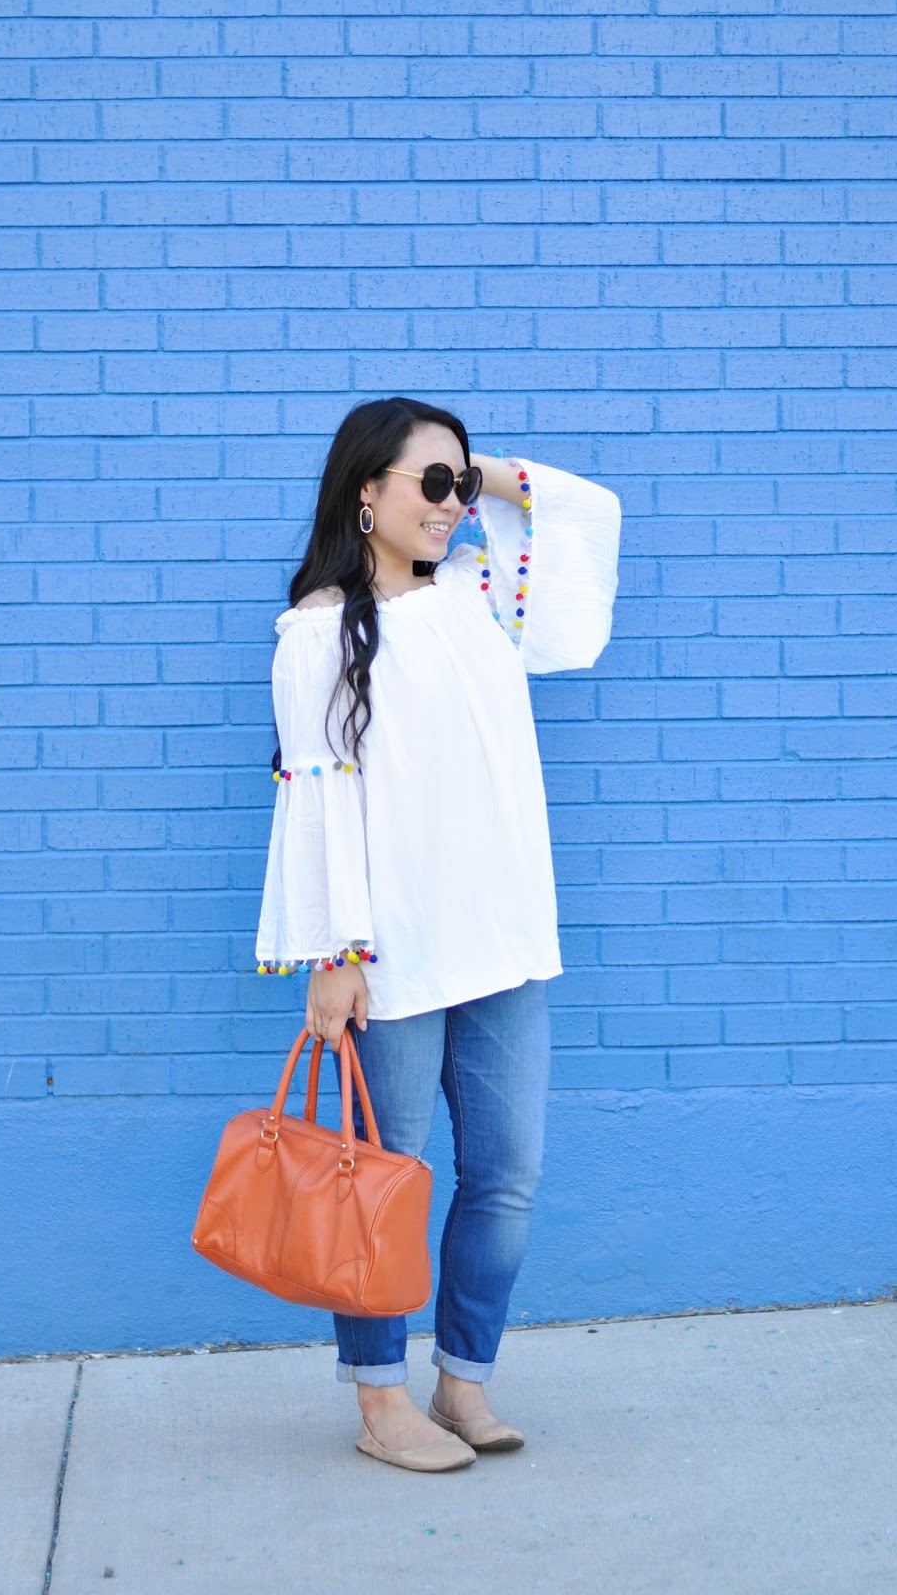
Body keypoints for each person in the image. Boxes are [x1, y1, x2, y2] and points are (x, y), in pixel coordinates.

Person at [255, 396, 621, 1472]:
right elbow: (315, 801)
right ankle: (379, 1402)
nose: (453, 506)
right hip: (393, 954)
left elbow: (584, 517)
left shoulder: (484, 599)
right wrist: (334, 956)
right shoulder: (320, 630)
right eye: (430, 483)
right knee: (385, 1180)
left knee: (507, 1171)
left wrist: (480, 473)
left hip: (502, 936)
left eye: (462, 487)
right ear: (364, 492)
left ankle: (463, 1380)